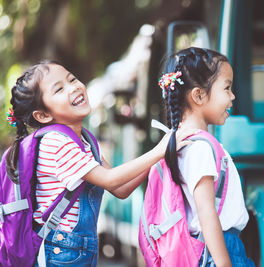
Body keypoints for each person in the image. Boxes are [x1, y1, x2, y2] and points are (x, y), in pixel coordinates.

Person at [5, 60, 195, 266]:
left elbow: (121, 189)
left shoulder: (85, 140)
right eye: (59, 89)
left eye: (72, 79)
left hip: (77, 249)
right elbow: (110, 180)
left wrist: (161, 156)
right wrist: (159, 151)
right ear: (43, 115)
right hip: (61, 252)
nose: (74, 87)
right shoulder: (55, 142)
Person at [160, 47, 255, 267]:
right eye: (227, 88)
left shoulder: (192, 144)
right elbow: (206, 213)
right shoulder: (199, 148)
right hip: (220, 249)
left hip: (219, 247)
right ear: (199, 95)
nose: (232, 96)